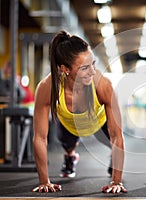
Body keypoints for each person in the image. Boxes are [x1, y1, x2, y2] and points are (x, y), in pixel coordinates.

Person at [32, 30, 127, 193]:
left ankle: (113, 160)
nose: (92, 71)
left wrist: (116, 182)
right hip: (69, 124)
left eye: (93, 64)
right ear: (65, 69)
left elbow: (117, 136)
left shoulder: (103, 85)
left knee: (112, 143)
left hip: (99, 122)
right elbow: (40, 138)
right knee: (67, 144)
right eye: (84, 68)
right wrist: (44, 181)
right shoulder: (47, 87)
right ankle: (70, 156)